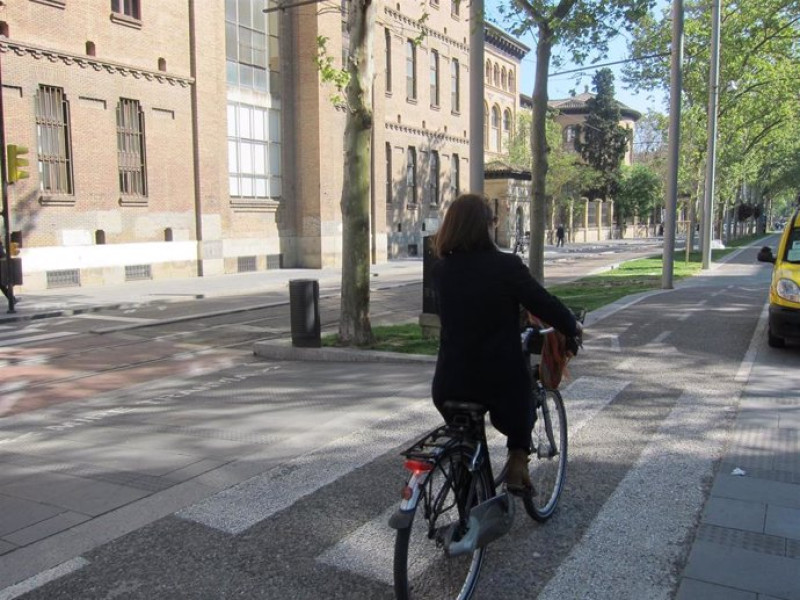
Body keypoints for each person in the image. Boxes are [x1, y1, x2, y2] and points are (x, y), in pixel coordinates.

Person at [431, 194, 581, 494]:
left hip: (450, 382)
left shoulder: (442, 270)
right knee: (521, 401)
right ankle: (517, 463)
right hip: (497, 381)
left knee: (466, 445)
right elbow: (543, 302)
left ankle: (469, 513)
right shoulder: (506, 266)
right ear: (485, 226)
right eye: (492, 222)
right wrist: (571, 325)